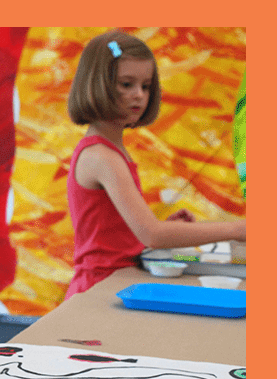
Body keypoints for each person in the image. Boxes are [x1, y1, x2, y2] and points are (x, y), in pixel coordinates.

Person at [65, 30, 246, 298]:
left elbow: (122, 234)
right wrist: (238, 229)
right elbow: (153, 235)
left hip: (116, 283)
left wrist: (164, 230)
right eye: (126, 84)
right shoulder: (102, 157)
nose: (138, 95)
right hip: (97, 291)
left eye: (145, 86)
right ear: (97, 84)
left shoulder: (114, 151)